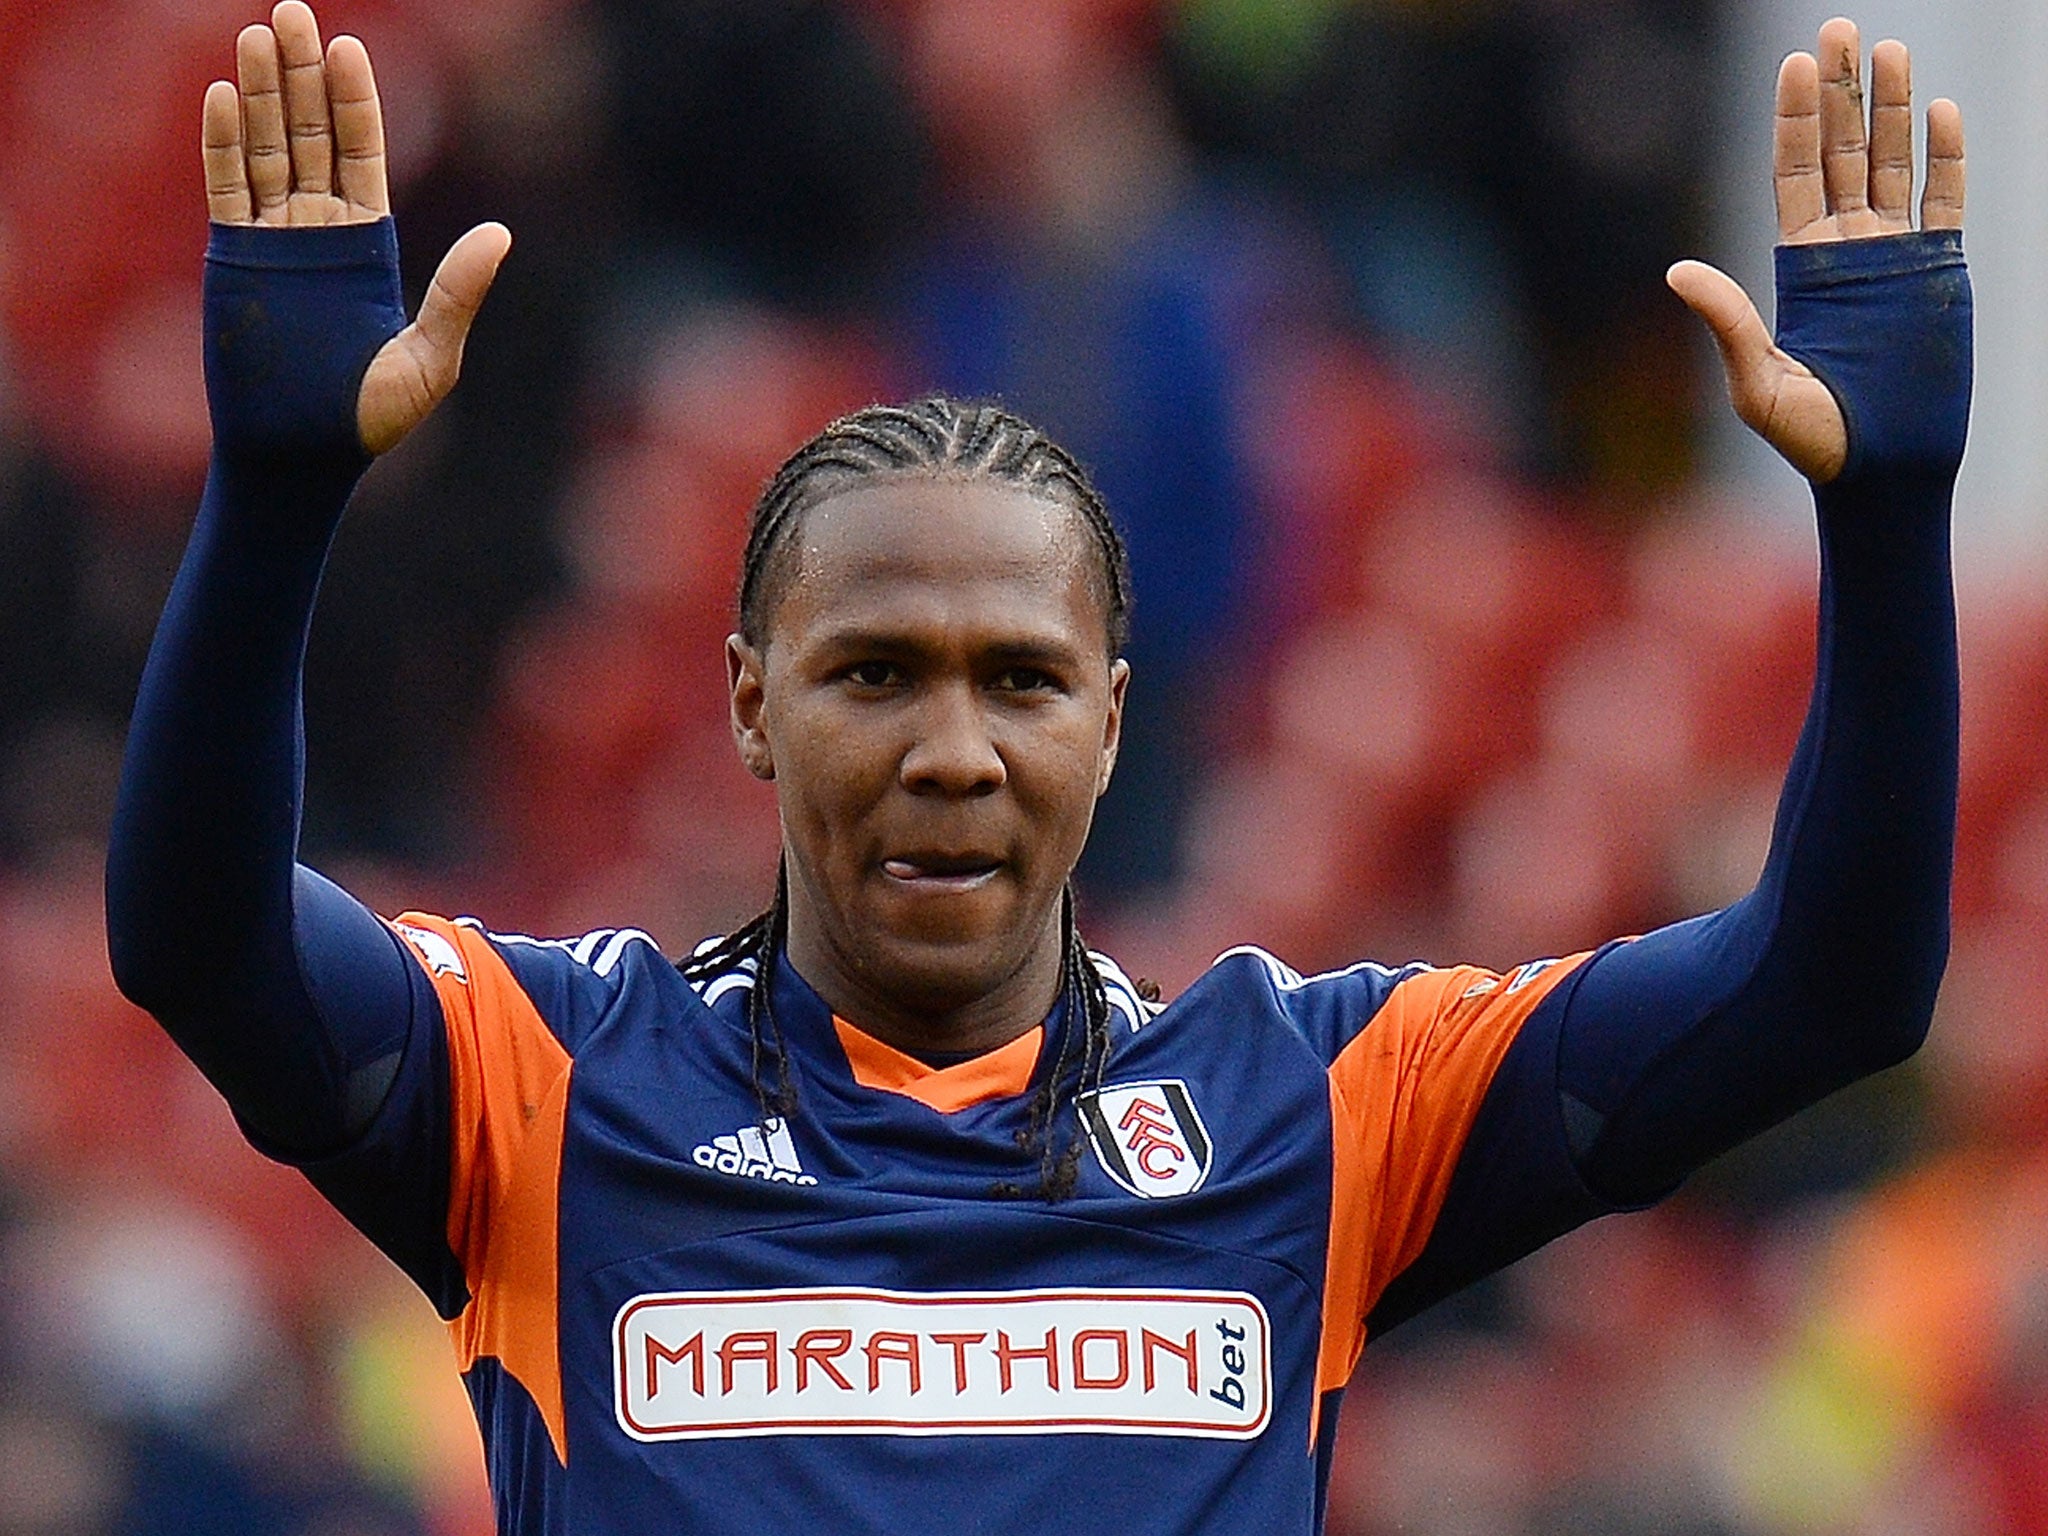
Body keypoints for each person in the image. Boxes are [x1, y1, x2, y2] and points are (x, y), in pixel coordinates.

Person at [105, 5, 1968, 1532]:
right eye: (873, 676)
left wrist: (1885, 532)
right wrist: (273, 501)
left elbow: (1832, 990)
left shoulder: (1314, 1106)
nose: (951, 753)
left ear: (1113, 720)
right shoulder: (551, 1086)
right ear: (752, 706)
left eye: (1021, 681)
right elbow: (199, 938)